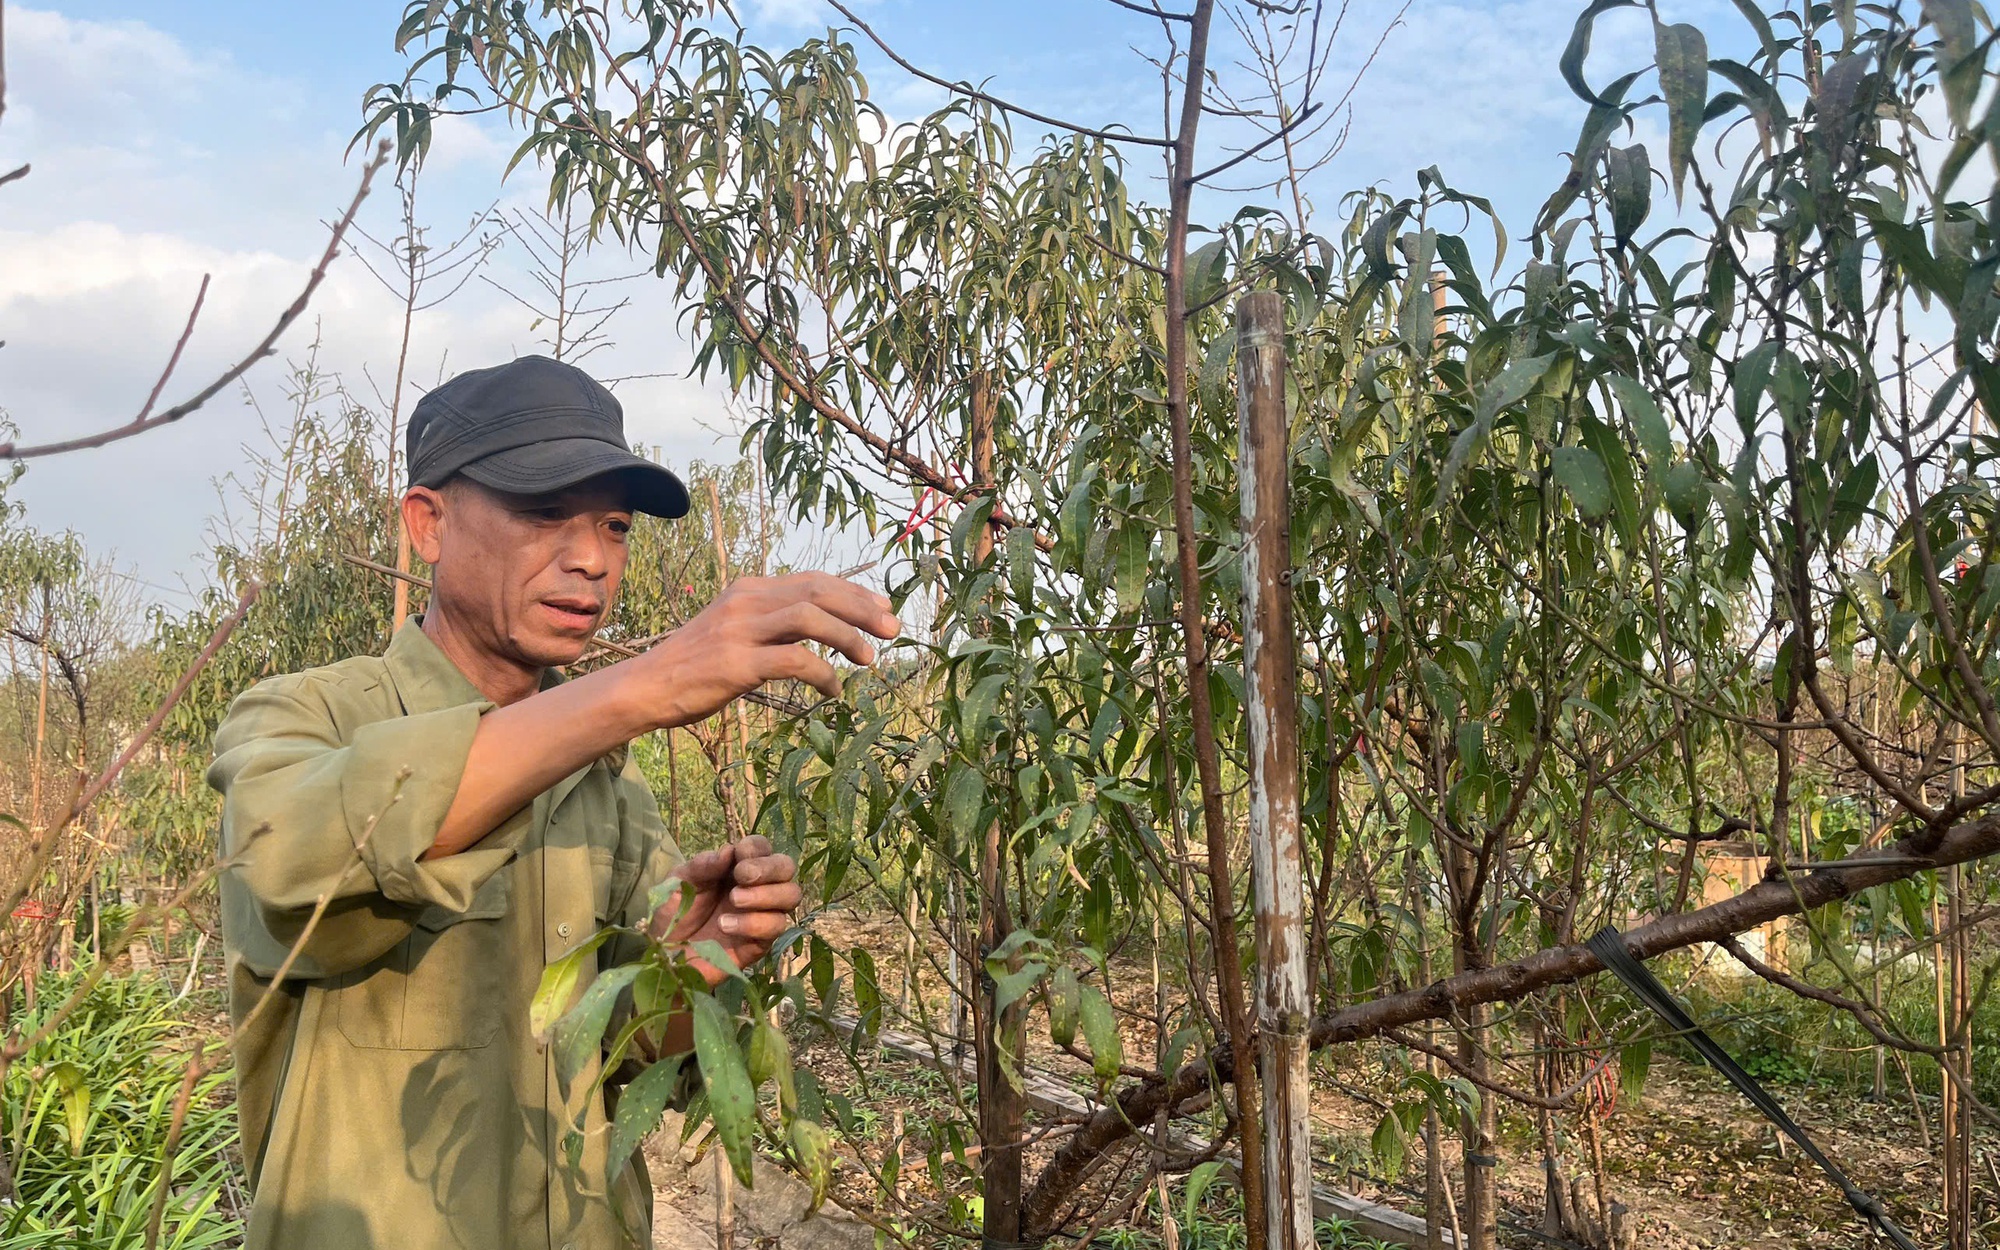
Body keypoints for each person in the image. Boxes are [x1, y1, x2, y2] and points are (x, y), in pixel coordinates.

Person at [209, 355, 899, 1250]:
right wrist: (648, 683)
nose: (591, 559)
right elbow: (292, 862)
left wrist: (699, 960)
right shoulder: (303, 717)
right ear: (428, 525)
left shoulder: (604, 778)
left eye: (613, 526)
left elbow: (620, 1041)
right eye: (543, 513)